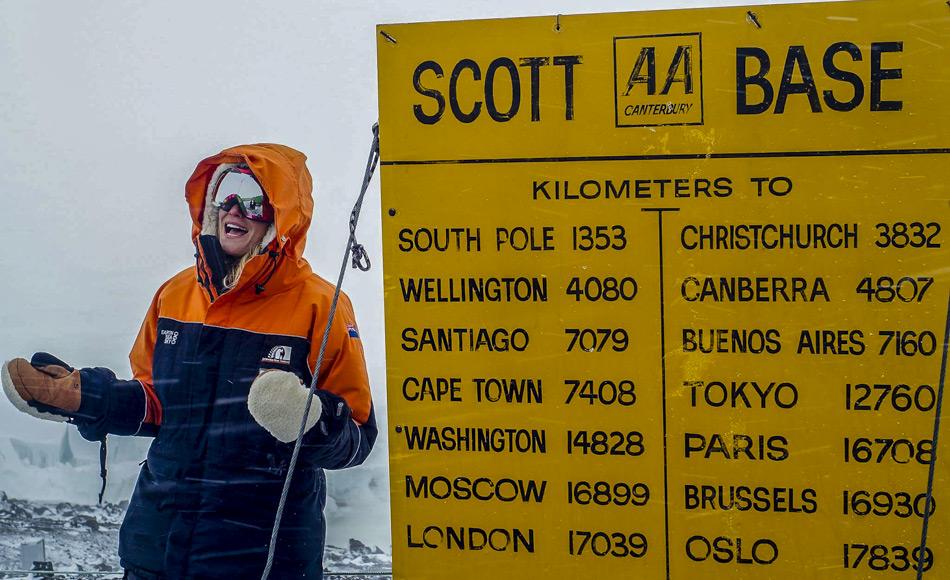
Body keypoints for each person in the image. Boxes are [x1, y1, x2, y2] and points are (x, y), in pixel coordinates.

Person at [1, 143, 377, 579]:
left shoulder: (320, 306)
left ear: (280, 217)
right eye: (227, 194)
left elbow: (357, 436)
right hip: (159, 546)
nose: (236, 208)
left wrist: (310, 420)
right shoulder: (175, 295)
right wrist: (89, 399)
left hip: (260, 558)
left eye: (254, 200)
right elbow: (158, 405)